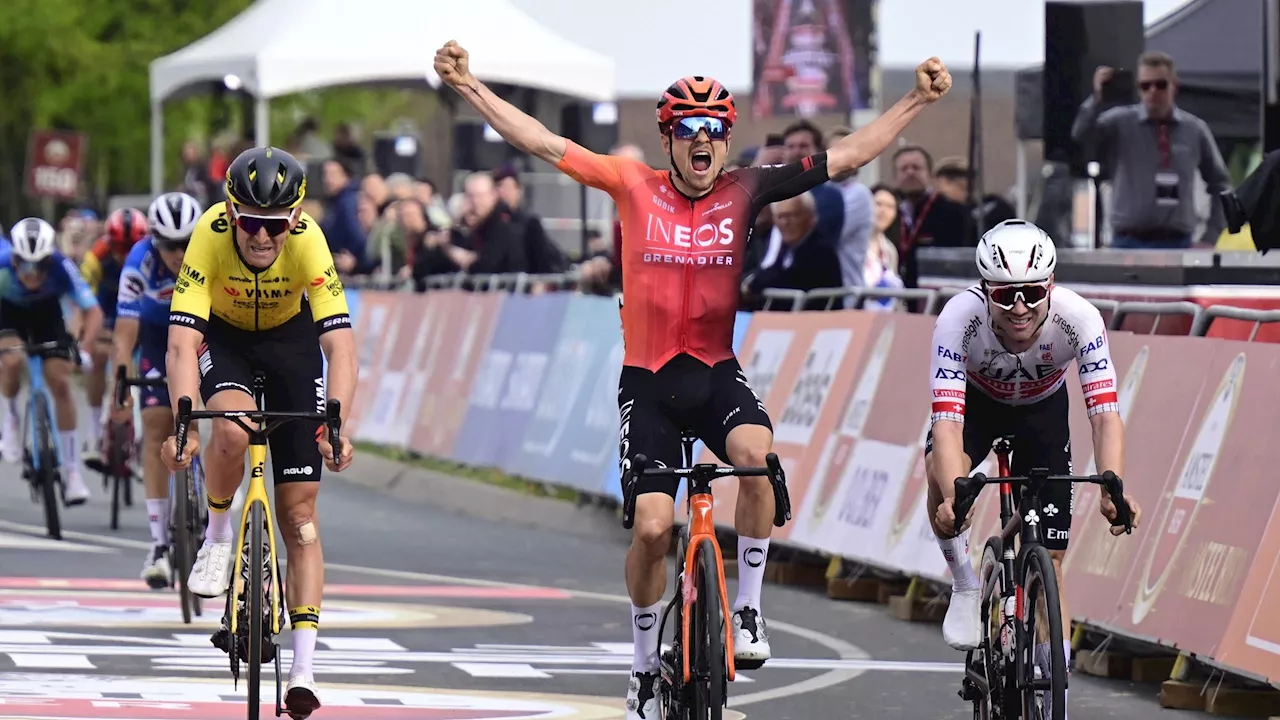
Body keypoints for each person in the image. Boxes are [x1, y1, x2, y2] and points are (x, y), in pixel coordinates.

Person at [434, 39, 952, 720]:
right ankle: (645, 668)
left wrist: (918, 97)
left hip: (715, 373)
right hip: (648, 383)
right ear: (669, 138)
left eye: (714, 130)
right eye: (689, 130)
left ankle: (749, 614)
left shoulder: (748, 187)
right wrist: (470, 87)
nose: (702, 140)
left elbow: (848, 156)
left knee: (760, 462)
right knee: (653, 529)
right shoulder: (630, 184)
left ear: (725, 140)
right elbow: (540, 141)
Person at [160, 146, 357, 720]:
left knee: (300, 521)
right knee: (231, 428)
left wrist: (337, 424)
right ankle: (219, 535)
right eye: (250, 223)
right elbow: (179, 344)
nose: (263, 238)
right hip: (225, 340)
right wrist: (182, 422)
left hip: (292, 344)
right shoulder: (209, 234)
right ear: (231, 211)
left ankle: (303, 670)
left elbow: (339, 346)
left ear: (295, 219)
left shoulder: (310, 242)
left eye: (276, 226)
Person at [926, 219, 1145, 719]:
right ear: (985, 291)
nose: (1020, 307)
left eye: (1031, 293)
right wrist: (952, 494)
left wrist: (1112, 483)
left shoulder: (1079, 319)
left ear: (1050, 286)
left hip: (1043, 414)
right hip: (977, 408)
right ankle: (963, 581)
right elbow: (946, 425)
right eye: (1005, 296)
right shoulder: (957, 320)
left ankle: (1052, 691)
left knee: (1051, 557)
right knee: (939, 485)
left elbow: (1104, 413)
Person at [110, 192, 203, 588]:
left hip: (203, 338)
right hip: (155, 341)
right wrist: (121, 386)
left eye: (188, 244)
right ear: (154, 242)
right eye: (170, 246)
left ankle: (217, 521)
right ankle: (159, 544)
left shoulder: (211, 255)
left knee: (216, 419)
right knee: (153, 425)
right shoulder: (139, 262)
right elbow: (123, 335)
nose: (180, 254)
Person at [1071, 52, 1231, 249]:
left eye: (1161, 85)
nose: (1153, 91)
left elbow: (1221, 184)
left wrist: (1211, 236)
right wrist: (1096, 98)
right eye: (1145, 86)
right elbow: (1081, 137)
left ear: (1174, 86)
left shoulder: (1194, 130)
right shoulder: (1119, 123)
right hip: (1128, 241)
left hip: (1178, 241)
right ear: (1139, 89)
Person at [0, 218, 103, 504]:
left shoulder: (62, 266)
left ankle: (71, 473)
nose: (32, 274)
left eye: (40, 266)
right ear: (15, 259)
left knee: (60, 382)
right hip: (8, 313)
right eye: (25, 265)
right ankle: (10, 417)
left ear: (49, 260)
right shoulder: (1, 266)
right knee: (11, 361)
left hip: (47, 315)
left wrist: (84, 349)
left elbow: (93, 312)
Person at [82, 208, 149, 459]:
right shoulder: (95, 257)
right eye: (119, 247)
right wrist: (86, 334)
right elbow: (84, 300)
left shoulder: (151, 256)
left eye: (130, 247)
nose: (124, 254)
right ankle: (93, 431)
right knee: (99, 355)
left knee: (146, 366)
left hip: (141, 314)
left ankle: (143, 435)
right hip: (106, 312)